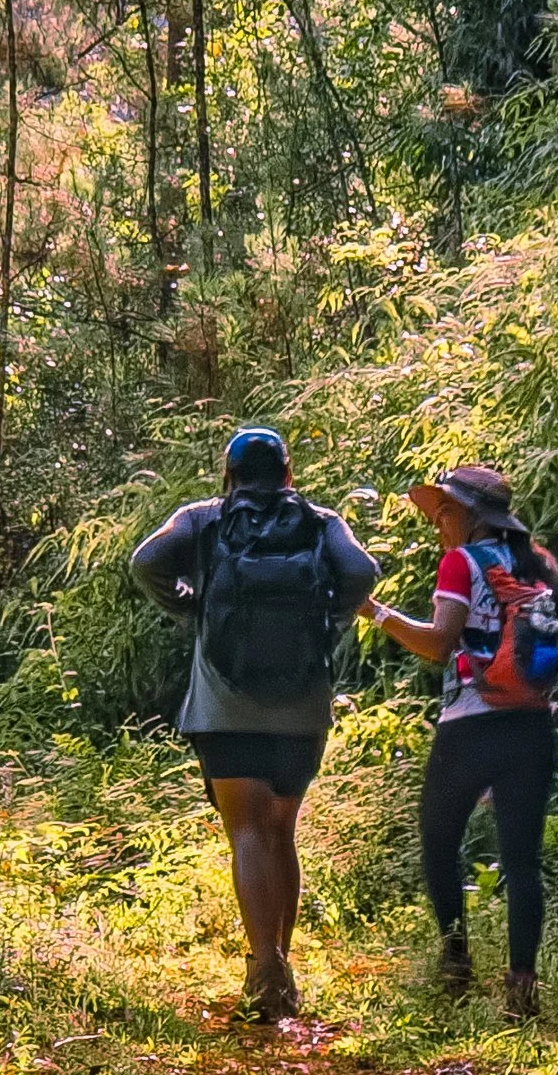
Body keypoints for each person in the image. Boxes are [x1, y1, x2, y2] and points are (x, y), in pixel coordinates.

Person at [131, 427, 379, 1022]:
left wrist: (196, 607)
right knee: (280, 830)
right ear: (288, 474)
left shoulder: (202, 519)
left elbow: (145, 563)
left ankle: (262, 965)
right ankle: (282, 963)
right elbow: (363, 572)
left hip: (225, 701)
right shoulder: (321, 521)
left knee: (245, 830)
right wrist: (330, 620)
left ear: (229, 475)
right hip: (302, 701)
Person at [362, 464, 558, 1022]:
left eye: (445, 511)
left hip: (471, 725)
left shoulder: (462, 562)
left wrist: (377, 613)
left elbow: (438, 643)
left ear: (471, 515)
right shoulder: (541, 564)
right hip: (532, 725)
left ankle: (456, 959)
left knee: (438, 840)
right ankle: (522, 987)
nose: (437, 523)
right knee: (523, 861)